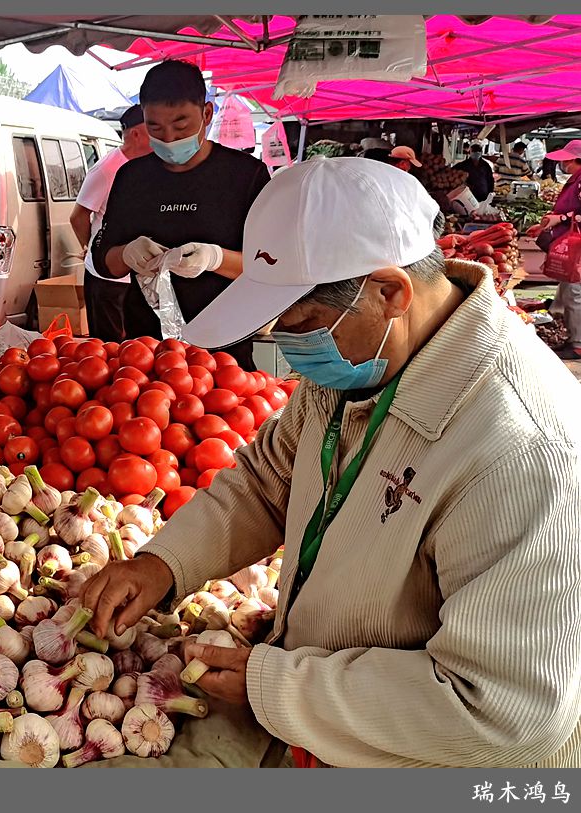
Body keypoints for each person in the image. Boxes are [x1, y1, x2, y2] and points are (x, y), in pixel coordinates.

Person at [82, 157, 581, 769]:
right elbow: (268, 482)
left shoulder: (518, 447)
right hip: (338, 733)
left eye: (305, 324)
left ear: (391, 292)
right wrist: (165, 564)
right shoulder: (361, 365)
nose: (290, 347)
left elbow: (502, 711)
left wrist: (282, 689)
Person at [91, 60, 269, 370]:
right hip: (146, 353)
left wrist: (215, 258)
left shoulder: (246, 176)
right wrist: (128, 254)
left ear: (207, 114)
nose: (170, 138)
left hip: (226, 353)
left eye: (181, 125)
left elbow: (271, 264)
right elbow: (103, 260)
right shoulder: (131, 178)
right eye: (155, 128)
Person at [70, 106, 151, 342]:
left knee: (136, 346)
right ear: (136, 134)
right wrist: (91, 247)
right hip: (106, 278)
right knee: (108, 346)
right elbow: (78, 216)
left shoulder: (145, 167)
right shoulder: (106, 170)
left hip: (136, 276)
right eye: (153, 129)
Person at [528, 139, 581, 360]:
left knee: (576, 293)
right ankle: (565, 329)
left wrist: (559, 218)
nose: (565, 163)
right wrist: (548, 222)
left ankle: (578, 344)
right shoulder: (575, 180)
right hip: (571, 244)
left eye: (568, 159)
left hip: (577, 246)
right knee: (568, 289)